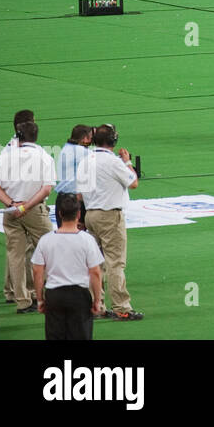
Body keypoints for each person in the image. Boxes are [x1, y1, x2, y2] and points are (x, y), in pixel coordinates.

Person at [79, 124, 142, 321]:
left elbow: (79, 195)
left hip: (90, 215)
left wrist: (81, 219)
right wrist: (127, 162)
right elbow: (133, 182)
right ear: (113, 141)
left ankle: (95, 306)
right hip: (110, 216)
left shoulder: (85, 160)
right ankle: (122, 307)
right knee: (115, 263)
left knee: (95, 263)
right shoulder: (114, 162)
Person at [0, 115, 55, 313]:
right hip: (34, 210)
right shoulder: (45, 156)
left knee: (15, 255)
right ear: (36, 136)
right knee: (50, 250)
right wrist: (26, 206)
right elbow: (46, 189)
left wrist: (13, 204)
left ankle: (22, 300)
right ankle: (46, 294)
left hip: (11, 212)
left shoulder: (6, 155)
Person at [31, 193, 104, 341]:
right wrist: (97, 300)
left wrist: (40, 299)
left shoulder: (46, 240)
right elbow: (95, 272)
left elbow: (37, 271)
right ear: (78, 214)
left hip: (54, 295)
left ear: (59, 213)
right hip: (79, 296)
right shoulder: (87, 240)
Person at [55, 125, 94, 229]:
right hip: (73, 201)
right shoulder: (82, 151)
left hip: (61, 199)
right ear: (85, 138)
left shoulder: (66, 147)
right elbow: (102, 160)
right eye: (90, 137)